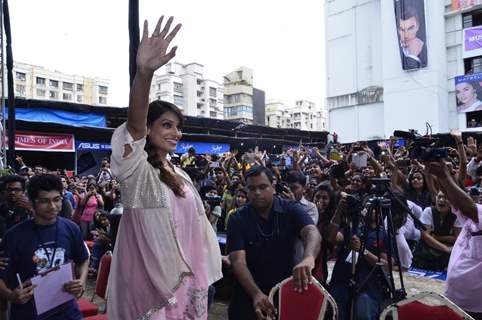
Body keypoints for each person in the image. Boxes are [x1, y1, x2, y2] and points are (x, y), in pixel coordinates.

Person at [107, 16, 222, 320]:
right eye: (167, 125)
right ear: (148, 128)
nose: (176, 133)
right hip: (149, 291)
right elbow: (134, 124)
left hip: (184, 286)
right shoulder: (137, 171)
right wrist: (143, 74)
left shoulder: (180, 175)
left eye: (179, 127)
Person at [227, 166, 321, 320]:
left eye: (263, 187)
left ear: (273, 186)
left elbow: (312, 232)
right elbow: (238, 262)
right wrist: (256, 294)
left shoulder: (291, 209)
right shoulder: (237, 218)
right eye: (252, 188)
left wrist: (309, 257)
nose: (257, 193)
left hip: (283, 293)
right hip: (247, 294)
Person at [0, 174, 89, 319]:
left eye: (56, 200)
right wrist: (11, 295)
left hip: (67, 311)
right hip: (29, 312)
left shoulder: (71, 228)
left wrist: (82, 281)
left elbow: (82, 260)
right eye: (44, 201)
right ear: (32, 202)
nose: (52, 206)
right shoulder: (13, 236)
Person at [427, 161, 482, 319]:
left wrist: (444, 175)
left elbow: (467, 207)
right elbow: (456, 199)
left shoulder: (475, 213)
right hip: (454, 299)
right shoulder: (472, 218)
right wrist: (441, 175)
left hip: (474, 309)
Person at [396, 4, 427, 69]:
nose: (406, 35)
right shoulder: (394, 48)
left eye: (410, 29)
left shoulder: (424, 47)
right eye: (402, 30)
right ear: (398, 30)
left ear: (417, 27)